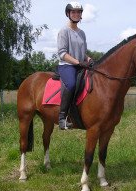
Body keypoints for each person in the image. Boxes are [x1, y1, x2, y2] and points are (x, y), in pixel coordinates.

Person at [57, 1, 92, 130]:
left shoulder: (82, 33)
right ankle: (62, 118)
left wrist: (89, 59)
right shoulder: (64, 31)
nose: (76, 14)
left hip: (80, 65)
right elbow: (62, 53)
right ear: (68, 14)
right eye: (73, 12)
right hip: (67, 65)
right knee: (71, 84)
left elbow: (83, 54)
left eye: (79, 12)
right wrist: (77, 62)